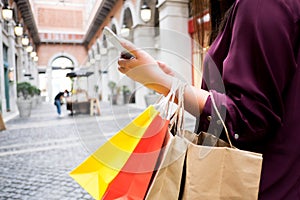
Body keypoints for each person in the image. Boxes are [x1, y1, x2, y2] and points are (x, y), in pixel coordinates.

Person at [117, 0, 300, 199]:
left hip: (261, 185)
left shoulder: (260, 5)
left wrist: (169, 84)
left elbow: (246, 119)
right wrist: (170, 82)